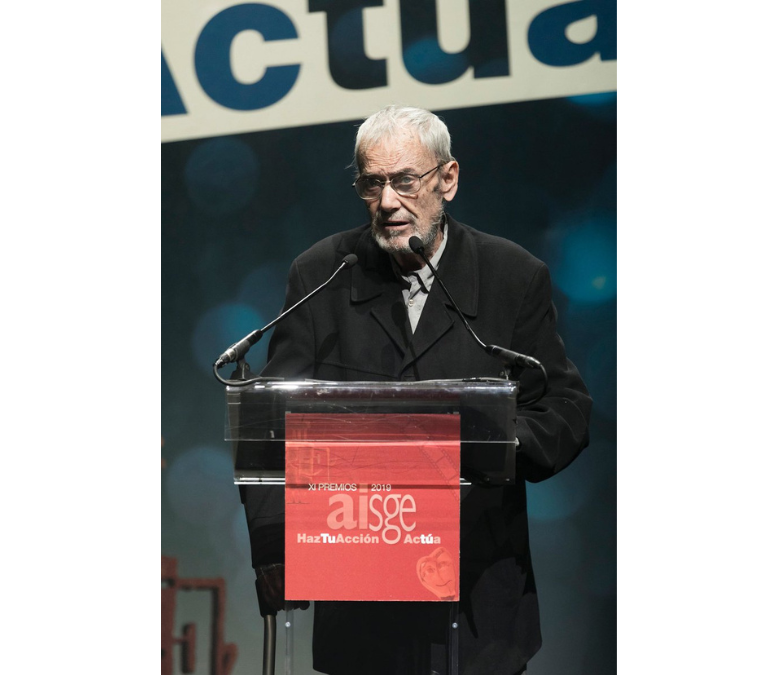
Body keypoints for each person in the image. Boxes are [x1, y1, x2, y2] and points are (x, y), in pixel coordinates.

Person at [240, 105, 592, 675]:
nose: (386, 202)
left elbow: (565, 410)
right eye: (371, 183)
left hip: (476, 602)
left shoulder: (512, 275)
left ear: (447, 179)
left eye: (404, 181)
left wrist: (495, 441)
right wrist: (277, 549)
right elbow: (270, 426)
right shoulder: (323, 274)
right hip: (359, 602)